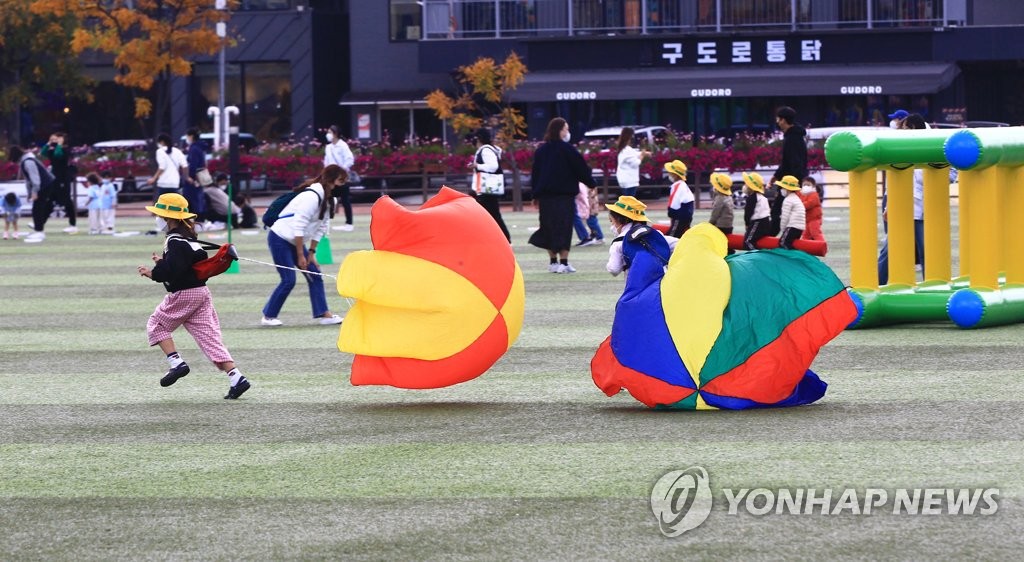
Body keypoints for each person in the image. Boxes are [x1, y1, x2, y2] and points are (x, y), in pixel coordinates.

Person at [136, 193, 251, 400]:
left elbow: (174, 272)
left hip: (185, 293)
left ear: (169, 218)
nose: (157, 219)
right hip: (201, 293)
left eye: (159, 215)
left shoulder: (174, 241)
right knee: (209, 337)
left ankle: (176, 363)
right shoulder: (189, 239)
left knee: (156, 325)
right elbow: (189, 264)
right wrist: (164, 262)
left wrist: (153, 271)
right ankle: (236, 377)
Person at [262, 164, 346, 326]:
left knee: (314, 274)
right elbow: (298, 226)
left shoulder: (330, 200)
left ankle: (324, 314)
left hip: (295, 241)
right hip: (280, 238)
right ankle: (268, 316)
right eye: (340, 181)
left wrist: (311, 254)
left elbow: (321, 228)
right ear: (330, 180)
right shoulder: (311, 197)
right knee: (288, 280)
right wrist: (301, 255)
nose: (341, 186)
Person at [528, 117, 596, 273]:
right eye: (566, 128)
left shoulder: (541, 151)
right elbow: (581, 169)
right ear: (559, 130)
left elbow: (535, 174)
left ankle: (553, 262)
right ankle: (564, 263)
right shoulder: (568, 150)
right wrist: (591, 183)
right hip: (564, 197)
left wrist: (535, 195)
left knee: (548, 228)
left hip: (545, 197)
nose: (567, 132)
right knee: (564, 228)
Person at [605, 195, 675, 278]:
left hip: (638, 286)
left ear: (620, 220)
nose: (612, 225)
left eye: (612, 221)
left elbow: (614, 269)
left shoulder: (619, 242)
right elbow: (678, 244)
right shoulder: (655, 234)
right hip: (663, 281)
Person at [770, 106, 808, 236]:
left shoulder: (792, 138)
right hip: (788, 181)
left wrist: (793, 184)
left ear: (783, 120)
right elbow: (788, 162)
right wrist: (776, 176)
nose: (777, 121)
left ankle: (770, 238)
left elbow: (793, 163)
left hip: (789, 183)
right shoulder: (794, 136)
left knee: (777, 211)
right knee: (783, 210)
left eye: (778, 118)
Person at [469, 128, 510, 242]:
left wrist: (477, 166)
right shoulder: (486, 149)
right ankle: (501, 239)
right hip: (483, 189)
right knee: (491, 214)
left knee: (493, 215)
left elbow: (493, 167)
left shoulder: (485, 150)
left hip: (486, 189)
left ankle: (505, 239)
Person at [8, 145, 55, 243]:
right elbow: (28, 180)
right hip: (43, 185)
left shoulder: (28, 162)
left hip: (45, 185)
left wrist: (34, 192)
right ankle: (38, 230)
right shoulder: (25, 161)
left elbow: (35, 179)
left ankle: (39, 232)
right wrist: (30, 193)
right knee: (38, 207)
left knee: (37, 208)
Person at [41, 132, 78, 234]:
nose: (54, 140)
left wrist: (59, 145)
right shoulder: (53, 148)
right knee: (50, 200)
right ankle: (40, 223)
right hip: (54, 178)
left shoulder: (65, 149)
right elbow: (43, 153)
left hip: (63, 178)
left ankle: (73, 224)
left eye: (56, 139)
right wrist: (48, 143)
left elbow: (58, 155)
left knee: (67, 201)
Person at [324, 125, 355, 231]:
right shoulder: (328, 147)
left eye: (330, 132)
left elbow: (350, 160)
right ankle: (324, 222)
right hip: (330, 178)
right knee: (327, 198)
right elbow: (326, 162)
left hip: (341, 178)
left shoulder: (343, 145)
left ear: (335, 134)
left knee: (345, 200)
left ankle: (349, 224)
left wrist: (342, 171)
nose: (328, 134)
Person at [145, 133, 188, 200]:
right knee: (174, 206)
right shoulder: (177, 151)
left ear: (162, 142)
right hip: (174, 183)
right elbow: (185, 165)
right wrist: (186, 177)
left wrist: (154, 178)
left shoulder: (160, 151)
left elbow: (162, 166)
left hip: (163, 183)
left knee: (161, 207)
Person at [614, 127, 650, 197]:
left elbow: (634, 154)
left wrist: (645, 153)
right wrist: (642, 155)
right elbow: (636, 163)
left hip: (626, 180)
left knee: (628, 202)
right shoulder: (626, 150)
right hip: (629, 181)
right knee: (629, 204)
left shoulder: (625, 149)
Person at [183, 128, 208, 219]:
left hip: (193, 178)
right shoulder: (201, 148)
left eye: (187, 136)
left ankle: (193, 219)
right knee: (199, 198)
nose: (187, 138)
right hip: (200, 177)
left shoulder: (194, 148)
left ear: (191, 136)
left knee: (190, 199)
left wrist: (189, 177)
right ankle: (200, 218)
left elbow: (193, 164)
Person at [742, 172, 771, 250]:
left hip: (757, 223)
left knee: (747, 242)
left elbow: (748, 212)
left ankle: (755, 255)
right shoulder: (762, 197)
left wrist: (747, 224)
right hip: (766, 222)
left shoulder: (752, 197)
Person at [775, 175, 806, 249]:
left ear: (787, 189)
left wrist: (783, 230)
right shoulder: (796, 198)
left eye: (783, 187)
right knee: (791, 244)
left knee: (782, 243)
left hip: (792, 226)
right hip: (799, 228)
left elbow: (785, 217)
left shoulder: (788, 200)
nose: (781, 189)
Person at [665, 160, 694, 238]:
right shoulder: (682, 185)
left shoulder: (677, 186)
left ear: (675, 175)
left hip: (679, 217)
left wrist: (671, 213)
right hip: (685, 216)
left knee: (672, 237)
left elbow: (674, 205)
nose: (668, 174)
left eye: (670, 173)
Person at [708, 172, 734, 238]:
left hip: (720, 226)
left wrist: (709, 224)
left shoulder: (720, 198)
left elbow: (715, 214)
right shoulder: (729, 197)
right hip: (729, 225)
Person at [799, 177, 824, 242]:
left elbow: (809, 204)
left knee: (815, 233)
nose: (806, 186)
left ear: (813, 186)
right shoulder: (802, 194)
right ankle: (805, 247)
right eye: (804, 185)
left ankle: (821, 245)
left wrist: (799, 205)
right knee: (805, 235)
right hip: (807, 220)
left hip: (814, 219)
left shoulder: (814, 195)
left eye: (808, 185)